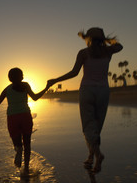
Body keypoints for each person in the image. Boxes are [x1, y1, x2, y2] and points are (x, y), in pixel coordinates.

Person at [48, 27, 123, 173]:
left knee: (89, 126)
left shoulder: (84, 53)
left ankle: (97, 155)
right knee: (97, 125)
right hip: (103, 91)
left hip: (87, 91)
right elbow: (120, 46)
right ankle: (91, 156)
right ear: (101, 38)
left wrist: (55, 80)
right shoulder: (108, 51)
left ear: (88, 38)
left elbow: (74, 72)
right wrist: (108, 41)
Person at [0, 68, 50, 173]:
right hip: (25, 116)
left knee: (17, 142)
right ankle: (27, 168)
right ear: (22, 76)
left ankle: (18, 149)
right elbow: (35, 97)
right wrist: (47, 87)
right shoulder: (26, 86)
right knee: (27, 144)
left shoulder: (7, 89)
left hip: (12, 117)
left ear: (9, 78)